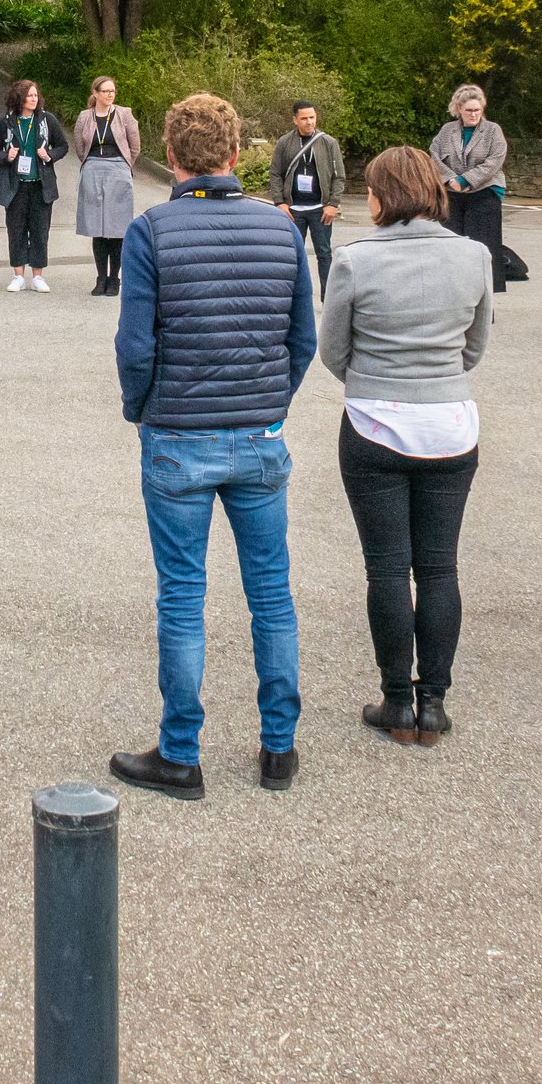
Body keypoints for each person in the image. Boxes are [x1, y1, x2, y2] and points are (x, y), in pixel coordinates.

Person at [108, 93, 315, 799]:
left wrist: (142, 409)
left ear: (170, 157)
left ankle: (181, 751)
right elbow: (302, 340)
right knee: (272, 595)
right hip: (258, 436)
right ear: (235, 155)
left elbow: (136, 345)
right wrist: (270, 402)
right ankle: (278, 748)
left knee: (182, 596)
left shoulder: (152, 231)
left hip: (178, 434)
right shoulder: (281, 231)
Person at [319, 145, 493, 746]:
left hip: (375, 421)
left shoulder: (356, 260)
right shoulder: (473, 256)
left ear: (381, 196)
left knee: (388, 567)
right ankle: (434, 702)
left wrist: (373, 380)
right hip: (449, 419)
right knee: (439, 565)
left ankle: (396, 698)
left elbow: (332, 350)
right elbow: (475, 346)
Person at [0, 78, 68, 292]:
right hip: (16, 185)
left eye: (35, 95)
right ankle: (18, 275)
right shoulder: (5, 122)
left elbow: (62, 146)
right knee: (16, 230)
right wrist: (6, 156)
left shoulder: (47, 120)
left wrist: (48, 155)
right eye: (29, 95)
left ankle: (38, 275)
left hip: (41, 184)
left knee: (40, 230)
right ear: (19, 98)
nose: (34, 99)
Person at [429, 85, 507, 293]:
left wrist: (465, 180)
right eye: (469, 111)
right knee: (451, 247)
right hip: (452, 195)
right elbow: (434, 155)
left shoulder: (493, 131)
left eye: (477, 110)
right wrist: (450, 179)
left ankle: (484, 303)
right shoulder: (447, 131)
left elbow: (495, 160)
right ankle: (452, 297)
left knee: (482, 249)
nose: (473, 114)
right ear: (459, 110)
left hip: (484, 194)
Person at [72, 76, 141, 296]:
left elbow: (134, 146)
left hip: (118, 168)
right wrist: (90, 163)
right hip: (93, 167)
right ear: (95, 93)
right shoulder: (85, 116)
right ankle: (101, 277)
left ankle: (114, 278)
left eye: (113, 91)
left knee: (117, 227)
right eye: (106, 91)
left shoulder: (124, 114)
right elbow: (80, 146)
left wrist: (124, 165)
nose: (110, 95)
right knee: (97, 227)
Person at [269, 101, 345, 286]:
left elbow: (339, 176)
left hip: (321, 210)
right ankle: (292, 295)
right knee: (293, 253)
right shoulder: (285, 142)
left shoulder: (328, 142)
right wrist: (280, 202)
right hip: (293, 210)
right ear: (295, 120)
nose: (309, 122)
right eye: (304, 118)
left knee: (324, 254)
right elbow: (275, 173)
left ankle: (327, 299)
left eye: (312, 117)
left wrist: (333, 204)